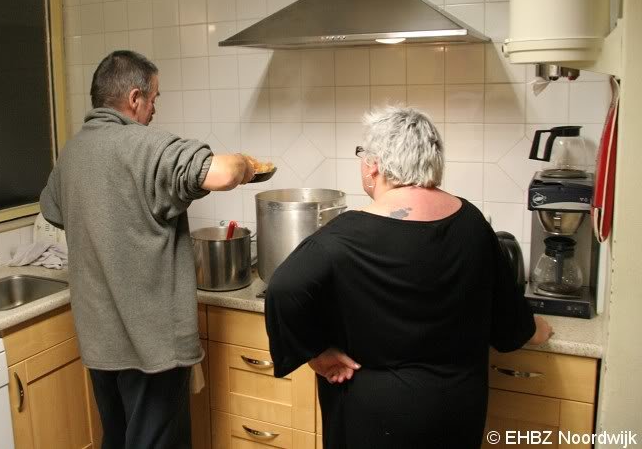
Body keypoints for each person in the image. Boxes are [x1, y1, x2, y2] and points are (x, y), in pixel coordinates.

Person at [264, 106, 553, 449]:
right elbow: (508, 321)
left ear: (374, 165)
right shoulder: (472, 222)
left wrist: (316, 354)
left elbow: (282, 289)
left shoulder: (344, 236)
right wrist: (537, 329)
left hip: (371, 416)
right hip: (456, 411)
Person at [40, 50, 255, 449]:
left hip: (100, 342)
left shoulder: (71, 154)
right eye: (154, 98)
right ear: (134, 98)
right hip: (152, 346)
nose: (155, 108)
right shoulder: (148, 147)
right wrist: (246, 163)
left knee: (118, 441)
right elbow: (222, 172)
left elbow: (53, 210)